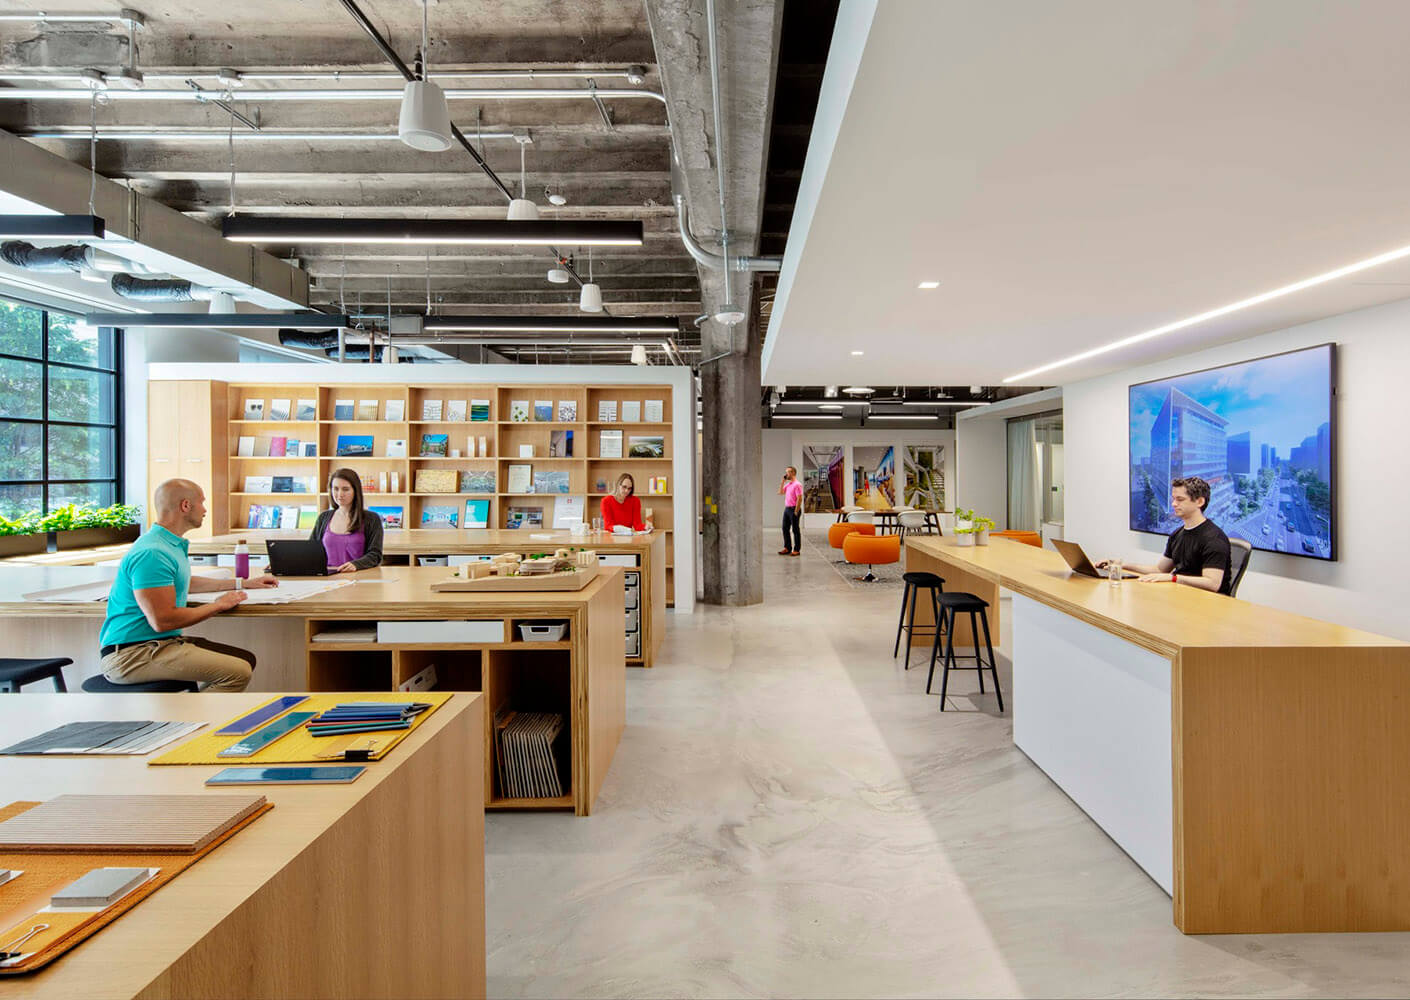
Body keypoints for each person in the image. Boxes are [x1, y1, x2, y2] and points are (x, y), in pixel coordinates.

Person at [98, 478, 277, 692]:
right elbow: (162, 620)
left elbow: (184, 582)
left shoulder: (166, 543)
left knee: (244, 659)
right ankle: (194, 722)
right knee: (237, 672)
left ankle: (190, 712)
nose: (205, 509)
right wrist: (218, 605)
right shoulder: (153, 552)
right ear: (185, 506)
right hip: (133, 655)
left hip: (156, 644)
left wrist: (242, 583)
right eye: (202, 502)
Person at [1100, 476, 1232, 594]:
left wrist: (1173, 577)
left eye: (1180, 499)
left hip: (1207, 605)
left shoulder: (1214, 538)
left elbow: (1212, 584)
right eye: (1173, 499)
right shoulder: (1177, 534)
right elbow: (1159, 570)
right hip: (1182, 596)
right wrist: (1121, 565)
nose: (1174, 504)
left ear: (1199, 502)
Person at [309, 467, 385, 572]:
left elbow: (375, 555)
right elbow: (310, 551)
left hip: (358, 578)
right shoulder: (324, 518)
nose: (340, 494)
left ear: (355, 491)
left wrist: (356, 564)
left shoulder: (371, 519)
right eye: (335, 489)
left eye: (345, 489)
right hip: (327, 579)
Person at [778, 466, 803, 556]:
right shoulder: (788, 485)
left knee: (795, 530)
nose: (786, 474)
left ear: (793, 473)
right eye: (786, 472)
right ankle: (787, 548)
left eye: (788, 472)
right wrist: (783, 482)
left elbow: (800, 498)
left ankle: (796, 550)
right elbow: (780, 492)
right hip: (787, 509)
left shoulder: (797, 484)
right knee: (785, 528)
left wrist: (796, 510)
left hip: (794, 509)